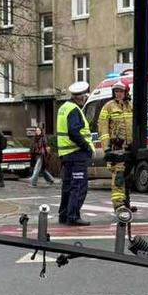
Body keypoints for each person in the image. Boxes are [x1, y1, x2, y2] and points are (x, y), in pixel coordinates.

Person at [56, 81, 94, 226]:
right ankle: (73, 216)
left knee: (67, 186)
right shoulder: (74, 110)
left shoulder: (63, 108)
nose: (85, 100)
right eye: (84, 97)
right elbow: (73, 132)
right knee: (78, 186)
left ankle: (64, 214)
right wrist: (86, 147)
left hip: (66, 154)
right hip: (77, 154)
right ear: (81, 97)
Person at [97, 80, 135, 211]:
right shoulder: (108, 107)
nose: (118, 94)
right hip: (116, 148)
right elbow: (103, 129)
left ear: (126, 92)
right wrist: (107, 148)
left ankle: (126, 203)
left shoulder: (131, 106)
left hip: (130, 148)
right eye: (116, 91)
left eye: (121, 91)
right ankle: (118, 205)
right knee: (118, 176)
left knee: (128, 177)